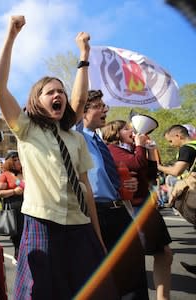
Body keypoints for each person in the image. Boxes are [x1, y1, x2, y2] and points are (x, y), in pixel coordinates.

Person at [0, 15, 112, 299]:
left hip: (80, 224)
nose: (59, 95)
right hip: (42, 223)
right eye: (51, 92)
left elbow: (87, 190)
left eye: (62, 91)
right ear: (37, 99)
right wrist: (10, 36)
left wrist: (97, 236)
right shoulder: (26, 129)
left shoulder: (76, 137)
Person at [78, 90, 149, 299]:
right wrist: (85, 59)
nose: (105, 109)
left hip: (119, 211)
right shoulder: (76, 135)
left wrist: (124, 183)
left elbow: (102, 174)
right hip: (97, 215)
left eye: (104, 105)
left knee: (134, 275)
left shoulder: (100, 141)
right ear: (83, 111)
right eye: (98, 106)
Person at [101, 120, 173, 300]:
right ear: (115, 133)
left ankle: (163, 297)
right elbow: (136, 165)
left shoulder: (130, 149)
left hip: (145, 207)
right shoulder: (112, 149)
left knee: (163, 252)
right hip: (133, 209)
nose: (132, 132)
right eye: (126, 129)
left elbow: (149, 174)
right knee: (135, 259)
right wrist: (140, 146)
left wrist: (149, 151)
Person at [158, 124, 196, 275]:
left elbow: (176, 171)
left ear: (178, 136)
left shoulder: (186, 148)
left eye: (170, 141)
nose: (171, 145)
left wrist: (158, 167)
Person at [0, 151, 24, 262]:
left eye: (19, 159)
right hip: (13, 208)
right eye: (15, 160)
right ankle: (18, 256)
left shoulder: (25, 172)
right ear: (9, 162)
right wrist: (14, 191)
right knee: (17, 235)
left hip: (27, 207)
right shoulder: (5, 175)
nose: (18, 162)